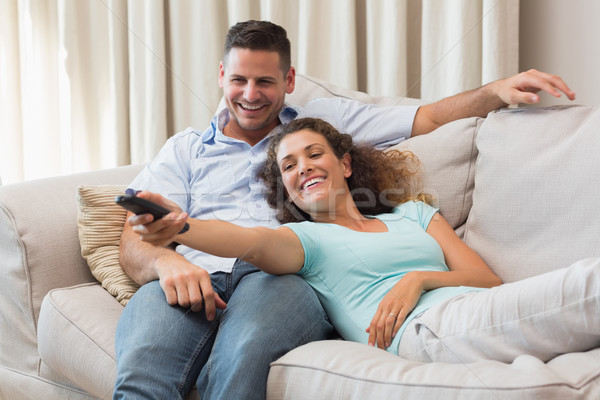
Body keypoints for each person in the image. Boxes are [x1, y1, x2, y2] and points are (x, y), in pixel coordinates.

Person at [114, 20, 576, 400]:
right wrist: (167, 259)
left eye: (265, 81)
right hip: (193, 273)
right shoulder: (186, 149)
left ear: (289, 82)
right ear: (221, 77)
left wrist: (497, 90)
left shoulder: (326, 122)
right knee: (141, 377)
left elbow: (430, 117)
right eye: (238, 80)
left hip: (278, 277)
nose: (250, 94)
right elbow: (134, 239)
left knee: (241, 360)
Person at [128, 117, 599, 363]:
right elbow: (246, 242)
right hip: (422, 334)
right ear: (284, 187)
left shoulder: (413, 214)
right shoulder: (303, 239)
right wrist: (181, 226)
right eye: (289, 166)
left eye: (315, 154)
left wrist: (418, 279)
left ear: (346, 165)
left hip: (472, 311)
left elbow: (488, 280)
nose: (304, 167)